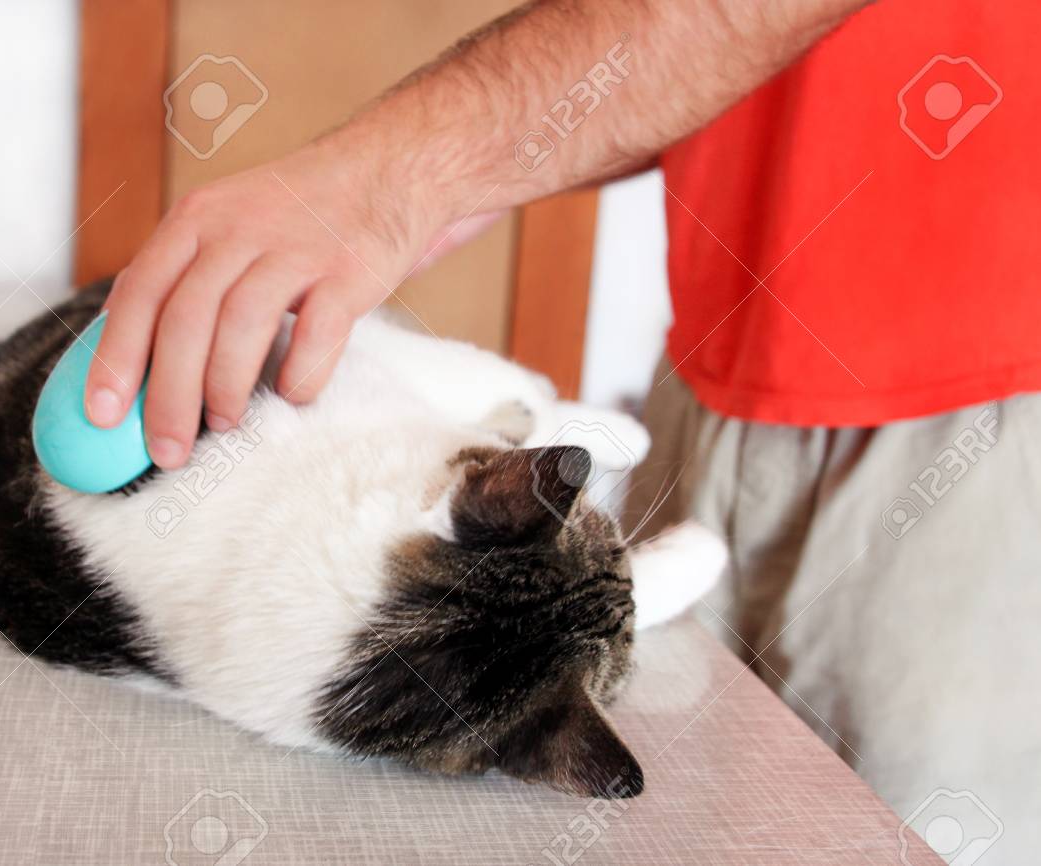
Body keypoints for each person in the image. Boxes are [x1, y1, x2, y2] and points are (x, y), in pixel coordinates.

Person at [88, 0, 1038, 860]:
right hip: (726, 359)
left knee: (896, 832)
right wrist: (494, 164)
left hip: (982, 392)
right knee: (695, 816)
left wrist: (397, 171)